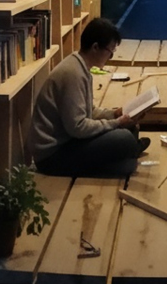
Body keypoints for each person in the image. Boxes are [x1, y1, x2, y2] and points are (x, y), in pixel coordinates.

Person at [31, 17, 150, 177]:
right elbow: (78, 127)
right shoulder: (73, 74)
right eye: (110, 52)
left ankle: (127, 155)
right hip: (53, 155)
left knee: (129, 130)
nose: (110, 58)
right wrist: (116, 123)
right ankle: (128, 153)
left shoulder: (80, 66)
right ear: (95, 47)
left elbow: (88, 111)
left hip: (69, 141)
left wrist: (114, 114)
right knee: (124, 139)